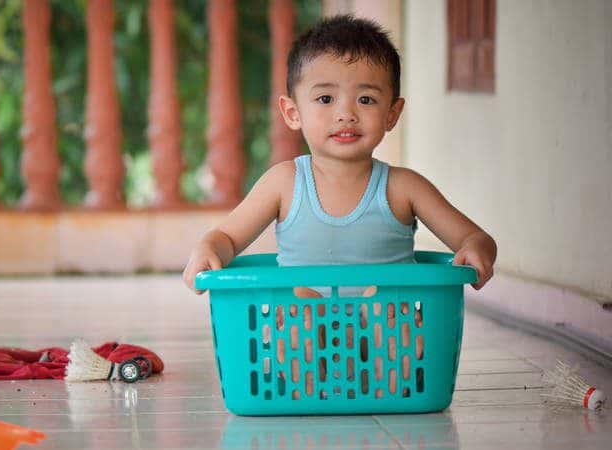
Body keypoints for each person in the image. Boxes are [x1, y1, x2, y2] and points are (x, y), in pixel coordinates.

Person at [183, 14, 497, 395]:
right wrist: (208, 248)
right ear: (292, 112)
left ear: (392, 114)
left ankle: (387, 386)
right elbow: (227, 238)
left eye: (366, 99)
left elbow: (473, 237)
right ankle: (311, 390)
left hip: (383, 334)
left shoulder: (403, 187)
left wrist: (476, 249)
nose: (345, 113)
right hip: (309, 334)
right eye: (325, 98)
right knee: (295, 303)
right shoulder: (284, 182)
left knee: (386, 305)